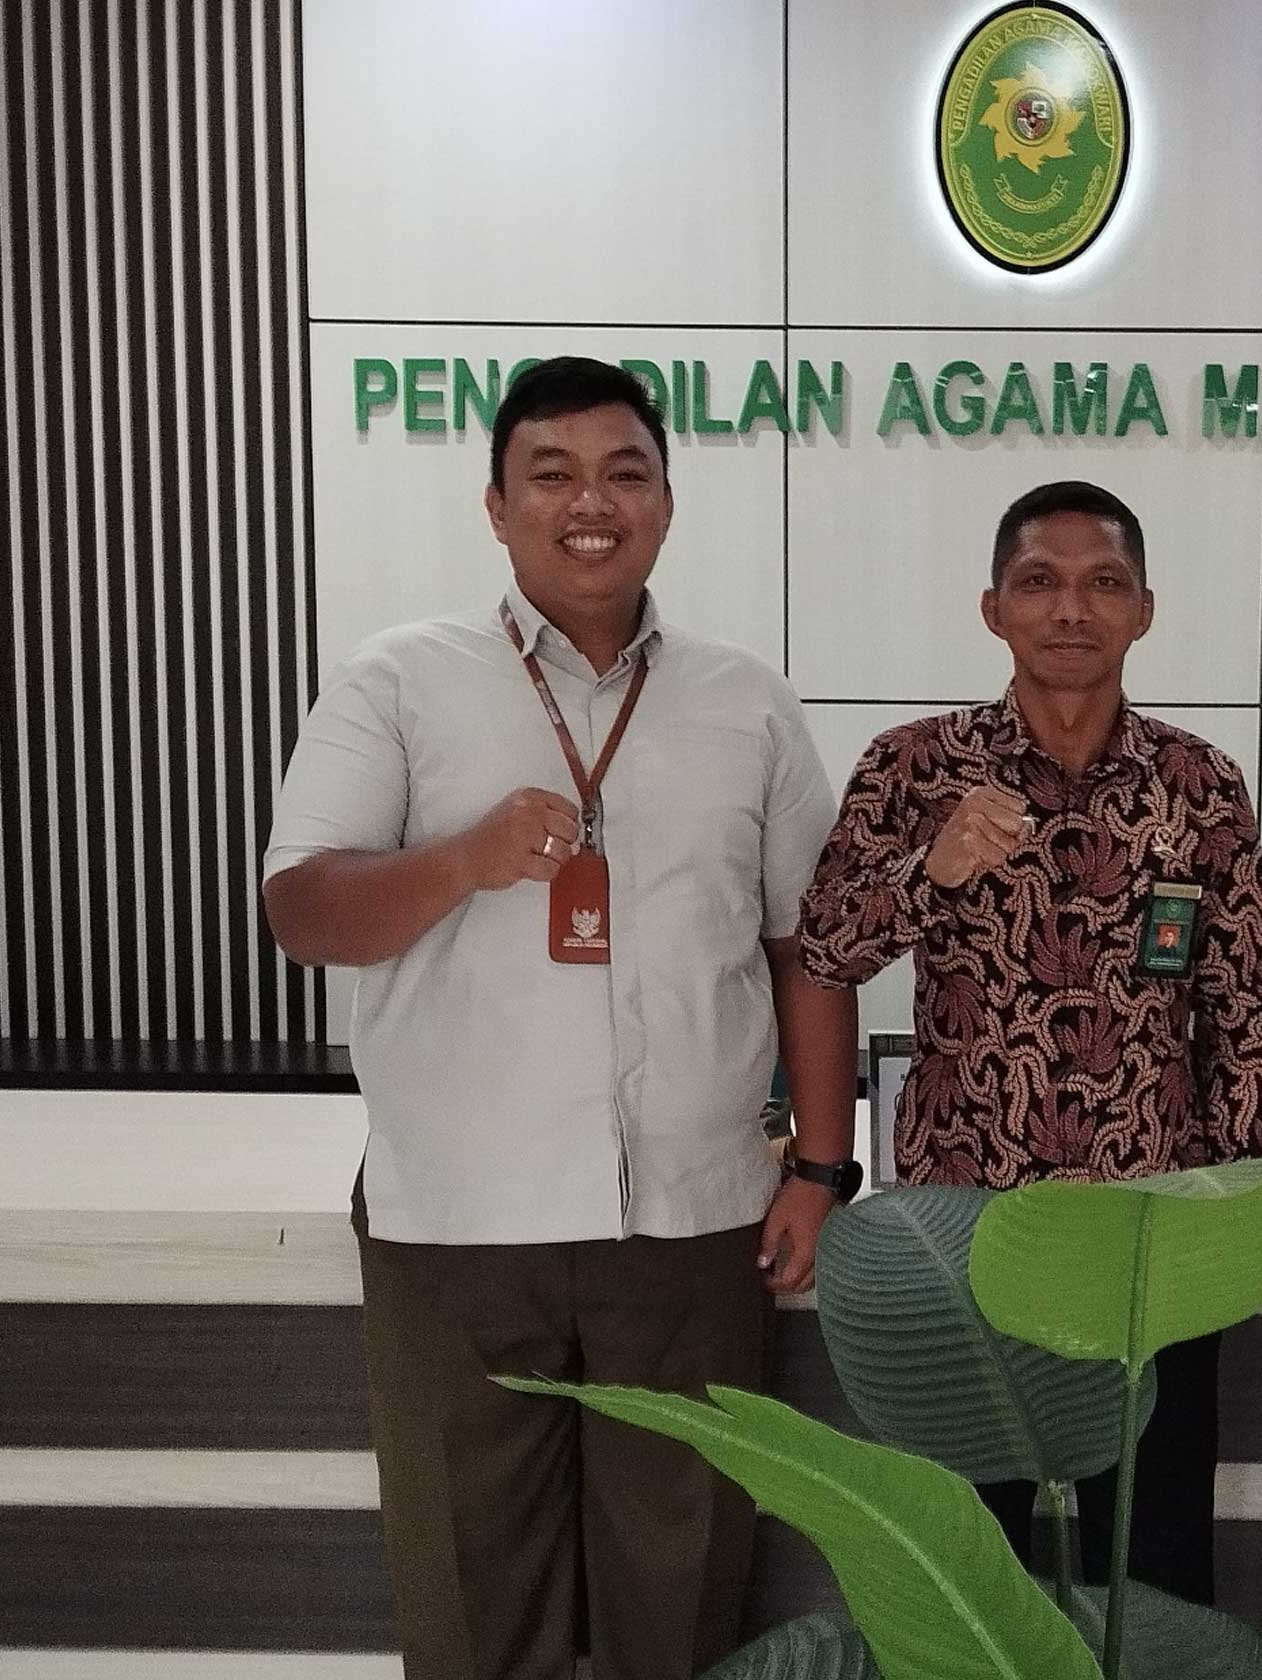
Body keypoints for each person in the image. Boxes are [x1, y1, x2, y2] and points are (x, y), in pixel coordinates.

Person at [261, 356, 860, 1680]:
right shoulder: (397, 682)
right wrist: (463, 860)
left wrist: (823, 1166)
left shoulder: (744, 700)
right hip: (460, 1224)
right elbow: (302, 911)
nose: (592, 503)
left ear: (666, 502)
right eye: (553, 474)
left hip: (695, 1221)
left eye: (625, 472)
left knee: (683, 1589)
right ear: (497, 506)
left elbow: (809, 947)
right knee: (475, 1603)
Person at [799, 479, 1262, 1606]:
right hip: (964, 1239)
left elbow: (1244, 1014)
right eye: (1039, 582)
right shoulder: (913, 767)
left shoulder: (1199, 784)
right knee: (971, 1576)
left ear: (1144, 610)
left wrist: (1239, 1215)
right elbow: (824, 948)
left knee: (1153, 1566)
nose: (1072, 609)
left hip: (1147, 1244)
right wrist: (930, 870)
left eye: (1103, 582)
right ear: (993, 609)